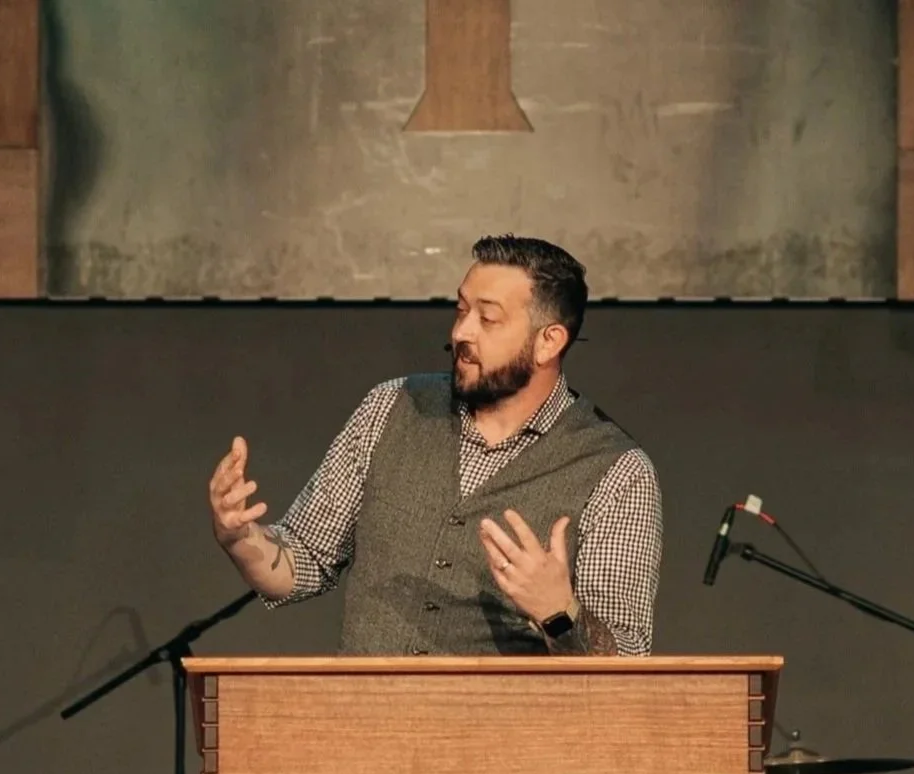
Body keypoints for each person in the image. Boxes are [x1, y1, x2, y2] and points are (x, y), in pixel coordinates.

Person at [206, 235, 663, 656]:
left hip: (504, 741)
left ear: (549, 342)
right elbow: (302, 561)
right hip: (366, 730)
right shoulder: (389, 408)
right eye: (460, 310)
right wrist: (240, 538)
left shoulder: (616, 471)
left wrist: (559, 613)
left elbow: (627, 662)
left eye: (487, 318)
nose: (462, 332)